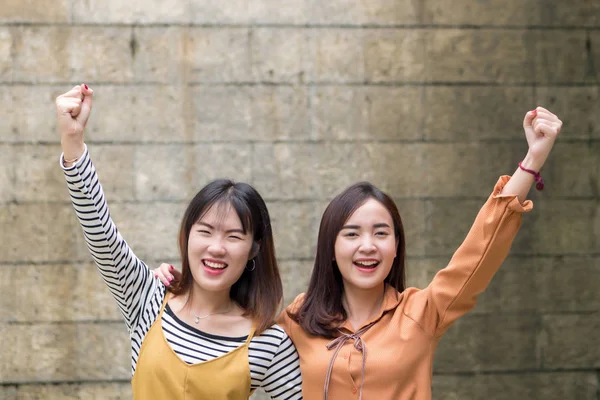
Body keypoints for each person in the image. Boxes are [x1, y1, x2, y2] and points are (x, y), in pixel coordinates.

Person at [155, 107, 562, 399]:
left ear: (396, 246)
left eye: (380, 233)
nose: (367, 246)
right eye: (351, 233)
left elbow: (480, 252)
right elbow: (226, 340)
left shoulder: (421, 313)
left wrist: (532, 160)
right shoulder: (295, 321)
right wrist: (180, 291)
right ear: (331, 248)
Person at [55, 84, 303, 400]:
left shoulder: (269, 342)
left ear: (254, 249)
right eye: (206, 231)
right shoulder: (146, 299)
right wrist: (73, 142)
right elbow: (102, 235)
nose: (216, 247)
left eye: (234, 236)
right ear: (186, 237)